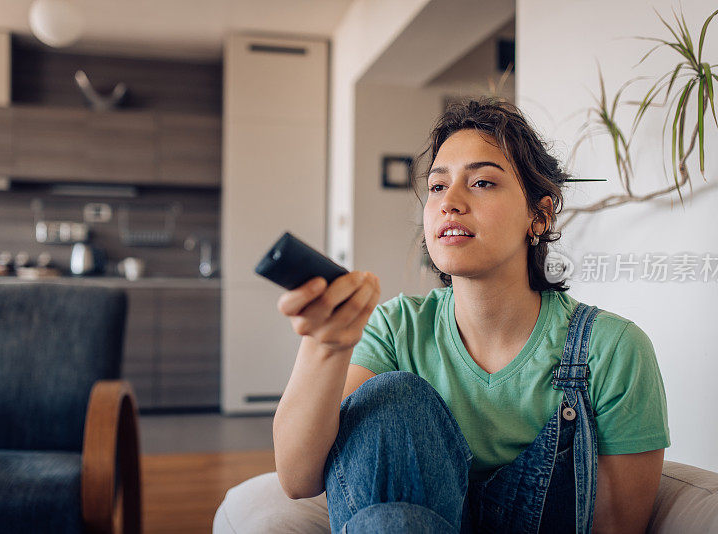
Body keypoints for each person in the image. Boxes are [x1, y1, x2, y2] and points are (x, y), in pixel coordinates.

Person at [213, 97, 670, 533]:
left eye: (482, 182)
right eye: (436, 185)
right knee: (395, 396)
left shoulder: (612, 349)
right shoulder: (397, 328)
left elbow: (616, 527)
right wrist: (326, 346)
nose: (449, 200)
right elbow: (297, 478)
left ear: (540, 215)